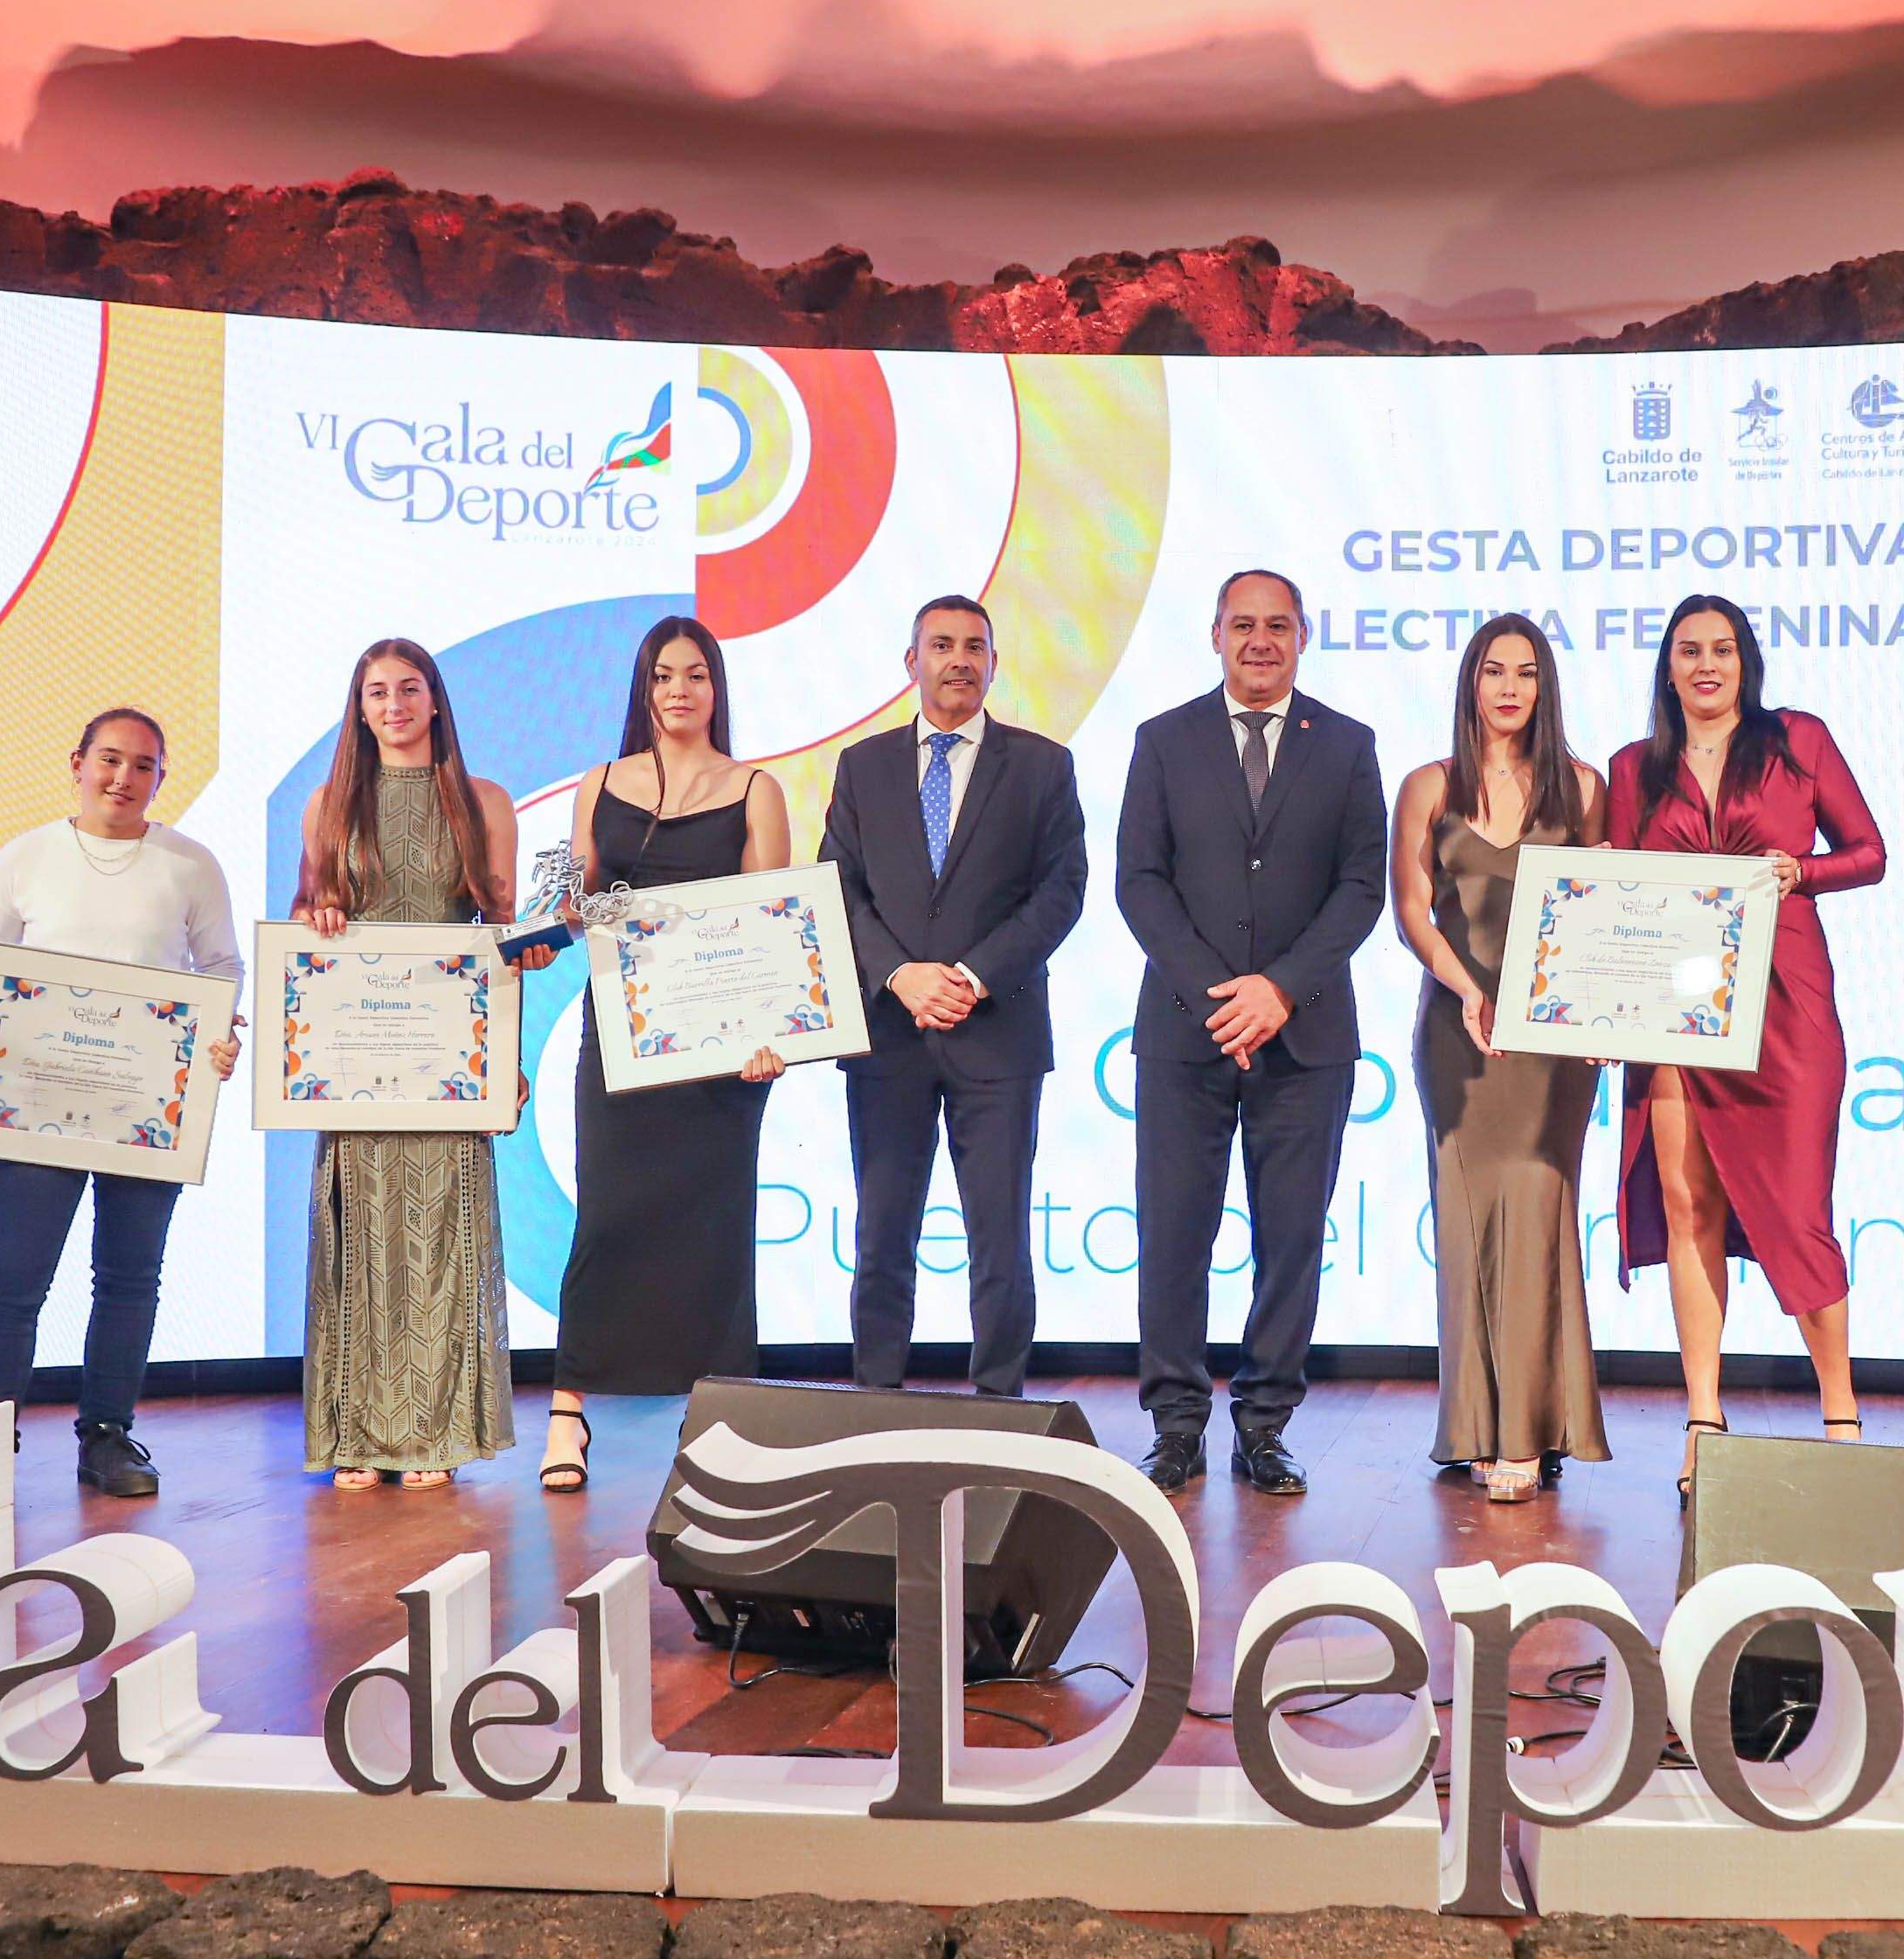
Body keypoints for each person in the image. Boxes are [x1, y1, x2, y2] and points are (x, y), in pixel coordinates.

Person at [1602, 594, 1887, 1497]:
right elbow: (1613, 892)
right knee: (1688, 1205)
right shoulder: (1631, 767)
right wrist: (1604, 1010)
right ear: (1668, 665)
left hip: (1786, 1002)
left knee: (1800, 1209)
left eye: (1720, 649)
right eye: (1687, 650)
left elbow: (1869, 852)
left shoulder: (1797, 739)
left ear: (1744, 660)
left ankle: (1839, 1417)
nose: (1705, 665)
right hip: (1675, 1009)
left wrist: (1798, 869)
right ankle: (1701, 1419)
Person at [1115, 567, 1387, 1495]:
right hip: (1186, 1036)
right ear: (1215, 634)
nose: (1260, 640)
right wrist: (1216, 994)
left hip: (1305, 1035)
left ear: (1303, 635)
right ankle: (1175, 1426)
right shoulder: (1163, 740)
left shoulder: (1347, 746)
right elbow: (1138, 882)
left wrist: (1277, 989)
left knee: (1290, 1240)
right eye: (1243, 624)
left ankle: (1264, 1425)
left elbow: (1361, 886)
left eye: (1278, 625)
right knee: (1173, 1235)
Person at [0, 705, 243, 1499]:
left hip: (146, 1109)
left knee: (130, 1277)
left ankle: (107, 1437)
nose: (123, 778)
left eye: (144, 766)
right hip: (32, 1096)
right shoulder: (26, 855)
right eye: (110, 760)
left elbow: (221, 968)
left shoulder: (191, 864)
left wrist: (217, 1035)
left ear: (161, 779)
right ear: (76, 763)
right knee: (12, 1276)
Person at [544, 615, 789, 1490]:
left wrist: (774, 1040)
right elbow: (573, 888)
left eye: (694, 674)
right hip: (621, 1031)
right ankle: (567, 1414)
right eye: (661, 674)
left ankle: (718, 1418)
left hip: (723, 1052)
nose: (678, 689)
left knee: (715, 1231)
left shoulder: (755, 788)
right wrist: (555, 907)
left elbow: (773, 925)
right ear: (642, 689)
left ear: (715, 687)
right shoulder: (599, 782)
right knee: (604, 1215)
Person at [820, 595, 1088, 1397]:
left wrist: (969, 977)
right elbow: (840, 888)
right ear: (913, 663)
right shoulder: (863, 766)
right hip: (889, 1035)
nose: (959, 660)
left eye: (975, 646)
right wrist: (901, 976)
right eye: (941, 645)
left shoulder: (1042, 766)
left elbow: (1062, 890)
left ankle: (1001, 1403)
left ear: (994, 665)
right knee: (882, 1233)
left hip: (996, 1032)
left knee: (1000, 1237)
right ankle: (874, 1401)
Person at [290, 636, 532, 1491]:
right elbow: (301, 931)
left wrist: (504, 1060)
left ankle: (431, 1434)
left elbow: (502, 941)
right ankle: (356, 1433)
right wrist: (315, 911)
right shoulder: (328, 804)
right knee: (360, 1246)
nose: (392, 704)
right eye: (375, 691)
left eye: (408, 688)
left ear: (435, 700)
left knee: (439, 1243)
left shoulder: (482, 801)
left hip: (445, 1060)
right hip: (358, 1058)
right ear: (358, 709)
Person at [1392, 615, 1610, 1504]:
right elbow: (1410, 908)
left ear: (1543, 684)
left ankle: (1528, 1428)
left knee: (1539, 1211)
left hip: (1554, 1045)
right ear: (1470, 682)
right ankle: (1475, 1426)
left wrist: (1598, 1011)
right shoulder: (1427, 784)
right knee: (1466, 1219)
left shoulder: (1583, 786)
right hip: (1459, 1029)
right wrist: (1464, 986)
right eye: (1493, 670)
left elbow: (1602, 912)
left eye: (1525, 671)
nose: (1509, 687)